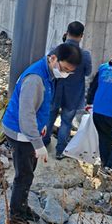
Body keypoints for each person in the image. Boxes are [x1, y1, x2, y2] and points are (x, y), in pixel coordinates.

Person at [3, 44, 81, 224]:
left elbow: (40, 105)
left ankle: (21, 207)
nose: (66, 73)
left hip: (29, 130)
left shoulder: (48, 72)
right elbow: (26, 116)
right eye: (64, 69)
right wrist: (38, 144)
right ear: (53, 58)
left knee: (28, 171)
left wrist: (43, 126)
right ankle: (16, 218)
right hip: (20, 133)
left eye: (70, 72)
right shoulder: (35, 79)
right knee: (24, 175)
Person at [43, 21, 92, 159]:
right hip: (73, 94)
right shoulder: (85, 55)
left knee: (49, 117)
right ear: (81, 35)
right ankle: (60, 151)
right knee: (66, 122)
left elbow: (47, 67)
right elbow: (88, 72)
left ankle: (44, 142)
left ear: (67, 33)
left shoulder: (56, 50)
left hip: (54, 91)